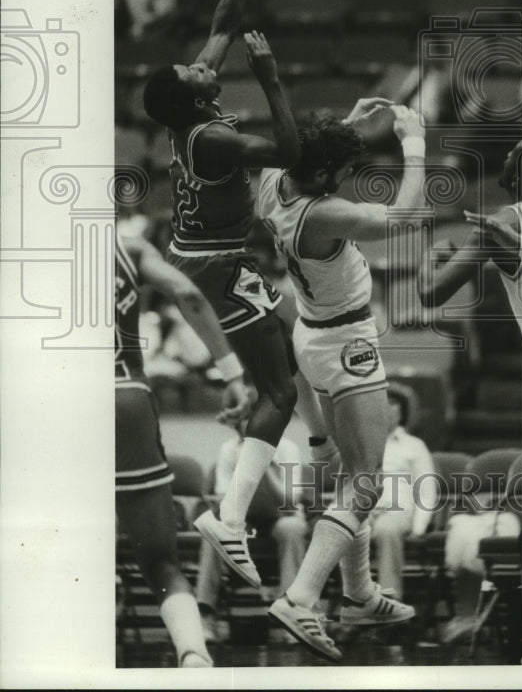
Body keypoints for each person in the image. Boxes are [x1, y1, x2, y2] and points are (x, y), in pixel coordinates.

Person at [142, 0, 338, 590]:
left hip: (214, 253)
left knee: (291, 350)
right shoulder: (214, 138)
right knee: (278, 390)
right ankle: (228, 517)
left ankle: (317, 450)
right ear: (190, 98)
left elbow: (223, 21)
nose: (203, 66)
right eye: (194, 72)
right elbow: (287, 151)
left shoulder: (190, 106)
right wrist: (270, 75)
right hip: (219, 265)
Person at [256, 100, 428, 660]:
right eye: (344, 172)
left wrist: (343, 130)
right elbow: (403, 219)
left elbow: (305, 158)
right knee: (368, 481)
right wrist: (414, 143)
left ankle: (358, 593)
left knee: (349, 477)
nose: (349, 180)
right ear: (327, 178)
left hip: (311, 331)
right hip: (346, 343)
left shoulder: (272, 180)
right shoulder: (324, 213)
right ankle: (301, 598)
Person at [115, 233, 248, 668]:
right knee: (160, 564)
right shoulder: (126, 247)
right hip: (122, 398)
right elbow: (188, 292)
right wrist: (231, 374)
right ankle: (193, 657)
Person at [416, 139, 522, 644]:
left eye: (518, 150)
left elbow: (430, 292)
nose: (509, 152)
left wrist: (431, 259)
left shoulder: (511, 218)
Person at [196, 384, 308, 641]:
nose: (249, 423)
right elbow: (224, 501)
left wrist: (263, 460)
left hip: (282, 519)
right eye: (243, 417)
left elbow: (291, 502)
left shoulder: (288, 449)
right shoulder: (228, 450)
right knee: (212, 531)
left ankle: (289, 615)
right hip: (242, 521)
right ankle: (206, 615)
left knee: (293, 529)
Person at [417, 138, 522, 342]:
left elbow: (430, 292)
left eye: (514, 153)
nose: (507, 154)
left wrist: (430, 255)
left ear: (516, 179)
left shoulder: (500, 224)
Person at [369, 389, 437, 600]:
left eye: (392, 404)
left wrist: (419, 527)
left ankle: (390, 602)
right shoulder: (362, 442)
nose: (386, 409)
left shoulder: (415, 447)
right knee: (344, 532)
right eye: (382, 403)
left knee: (386, 529)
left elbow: (427, 491)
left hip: (397, 513)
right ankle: (353, 606)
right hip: (365, 510)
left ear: (401, 412)